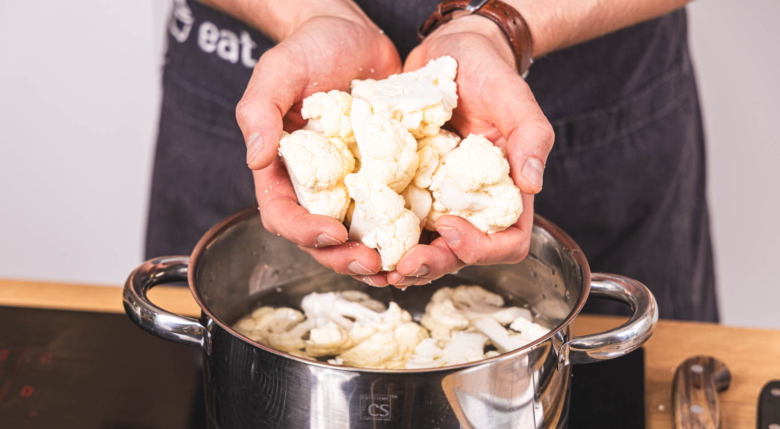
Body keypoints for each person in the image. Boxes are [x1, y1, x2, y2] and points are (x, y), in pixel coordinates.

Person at [146, 0, 717, 322]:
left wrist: (509, 24)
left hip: (591, 81)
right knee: (209, 425)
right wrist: (305, 13)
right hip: (269, 80)